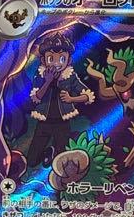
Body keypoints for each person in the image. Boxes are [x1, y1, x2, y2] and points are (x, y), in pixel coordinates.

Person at [25, 33, 92, 168]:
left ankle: (55, 152)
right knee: (31, 161)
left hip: (62, 122)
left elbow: (87, 95)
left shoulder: (70, 76)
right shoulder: (41, 75)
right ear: (43, 60)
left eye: (61, 59)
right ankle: (49, 151)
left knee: (62, 159)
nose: (56, 63)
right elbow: (36, 97)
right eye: (51, 58)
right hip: (44, 121)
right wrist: (47, 81)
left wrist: (72, 98)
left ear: (68, 60)